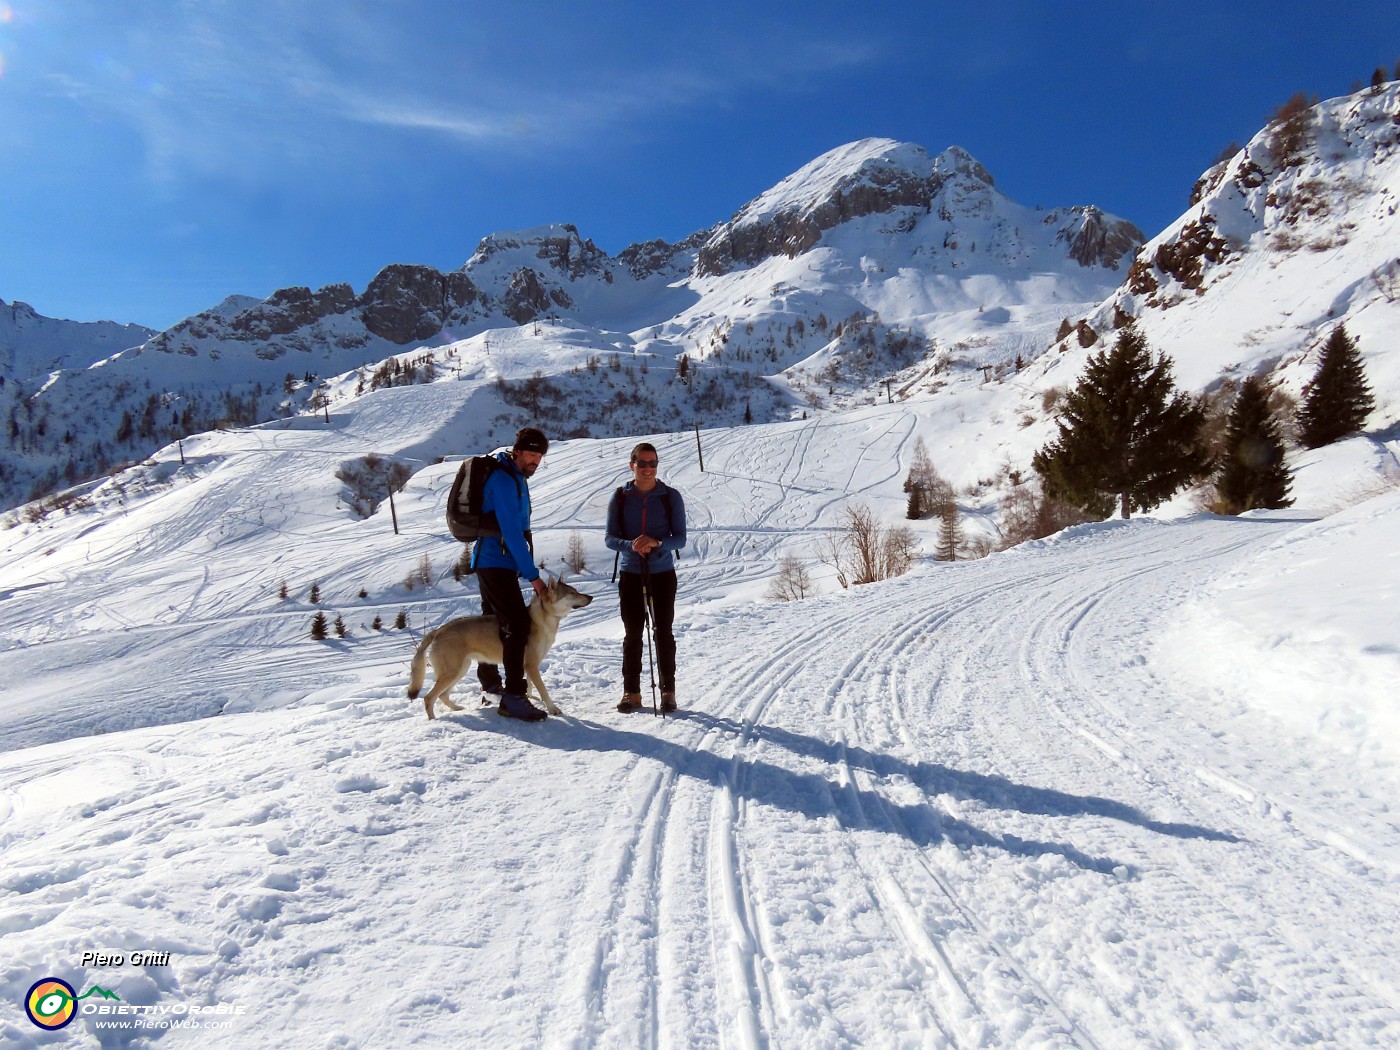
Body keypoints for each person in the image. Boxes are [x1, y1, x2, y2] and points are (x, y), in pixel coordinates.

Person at [473, 427, 550, 722]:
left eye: (539, 455)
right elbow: (511, 532)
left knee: (494, 622)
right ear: (517, 451)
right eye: (531, 453)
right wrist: (533, 575)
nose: (535, 460)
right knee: (517, 624)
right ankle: (514, 696)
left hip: (499, 561)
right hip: (495, 562)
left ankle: (491, 687)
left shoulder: (515, 477)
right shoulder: (504, 480)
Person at [604, 442, 687, 712]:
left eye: (653, 463)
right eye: (643, 463)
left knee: (663, 633)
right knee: (632, 635)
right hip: (631, 573)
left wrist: (657, 543)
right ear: (632, 465)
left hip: (662, 574)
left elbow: (681, 539)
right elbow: (609, 538)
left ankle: (668, 691)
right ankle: (632, 692)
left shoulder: (670, 496)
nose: (648, 468)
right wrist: (632, 545)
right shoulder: (619, 497)